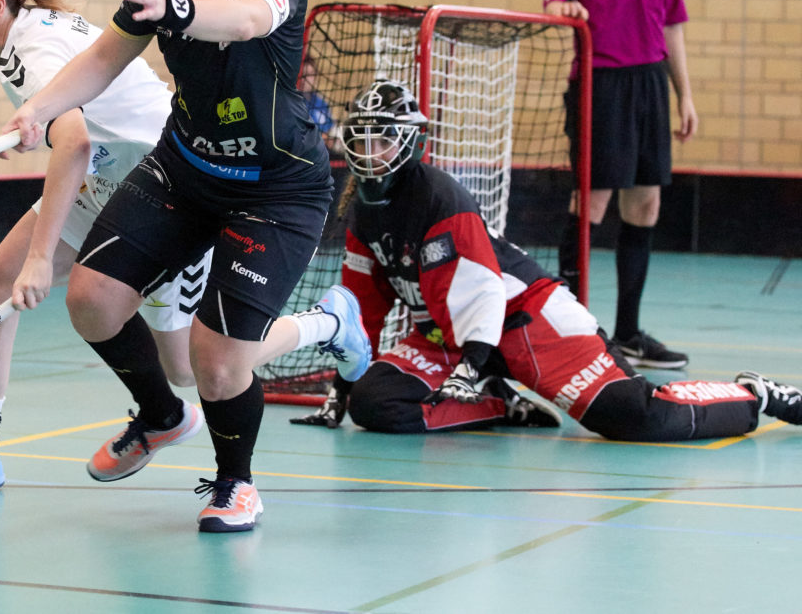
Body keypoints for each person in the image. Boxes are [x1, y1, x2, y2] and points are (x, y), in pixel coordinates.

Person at [0, 0, 367, 494]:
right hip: (101, 182)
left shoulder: (36, 44)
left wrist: (42, 259)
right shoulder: (22, 33)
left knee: (193, 366)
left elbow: (74, 143)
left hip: (161, 187)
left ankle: (326, 322)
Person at [2, 0, 371, 532]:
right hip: (185, 166)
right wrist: (40, 106)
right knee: (91, 298)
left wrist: (174, 11)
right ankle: (162, 416)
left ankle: (237, 483)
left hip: (276, 190)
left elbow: (246, 19)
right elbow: (106, 55)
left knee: (216, 357)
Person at [297, 78, 802, 443]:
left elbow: (486, 293)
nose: (371, 151)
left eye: (383, 139)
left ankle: (755, 395)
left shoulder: (441, 198)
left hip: (526, 320)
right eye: (362, 139)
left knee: (635, 418)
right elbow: (362, 311)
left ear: (412, 142)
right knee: (376, 404)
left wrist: (471, 363)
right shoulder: (363, 209)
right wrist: (341, 391)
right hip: (451, 337)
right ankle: (498, 402)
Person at [543, 0, 696, 370]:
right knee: (593, 204)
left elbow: (673, 22)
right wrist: (565, 10)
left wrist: (685, 96)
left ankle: (628, 332)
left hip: (651, 81)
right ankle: (575, 333)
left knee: (646, 204)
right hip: (600, 83)